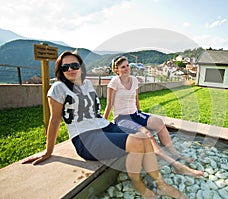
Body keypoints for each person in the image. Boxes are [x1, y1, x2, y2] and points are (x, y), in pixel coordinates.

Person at [21, 51, 187, 199]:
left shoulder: (86, 84)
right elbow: (55, 120)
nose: (70, 69)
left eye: (74, 65)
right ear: (60, 71)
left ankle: (161, 184)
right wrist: (49, 151)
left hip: (103, 125)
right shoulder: (58, 88)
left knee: (144, 136)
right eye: (65, 67)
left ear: (80, 66)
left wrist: (109, 122)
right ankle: (137, 183)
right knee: (137, 143)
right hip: (85, 137)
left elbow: (95, 112)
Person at [103, 56, 204, 177]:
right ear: (116, 70)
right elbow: (109, 105)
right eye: (123, 67)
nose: (126, 69)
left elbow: (136, 100)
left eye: (127, 65)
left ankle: (175, 153)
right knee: (147, 134)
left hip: (135, 114)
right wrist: (103, 125)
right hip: (122, 118)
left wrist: (141, 116)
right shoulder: (114, 82)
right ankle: (177, 166)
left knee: (159, 122)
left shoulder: (134, 80)